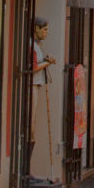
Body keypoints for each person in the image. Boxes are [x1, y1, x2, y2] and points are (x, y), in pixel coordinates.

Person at [30, 17, 56, 178]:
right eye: (45, 29)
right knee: (30, 130)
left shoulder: (36, 46)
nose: (47, 32)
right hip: (31, 86)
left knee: (32, 130)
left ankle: (28, 170)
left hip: (36, 86)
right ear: (36, 29)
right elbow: (32, 67)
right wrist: (48, 63)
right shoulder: (32, 46)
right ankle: (26, 170)